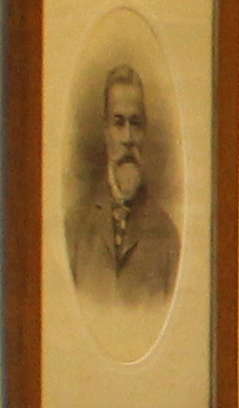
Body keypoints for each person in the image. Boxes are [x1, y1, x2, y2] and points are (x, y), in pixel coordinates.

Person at [67, 60, 180, 309]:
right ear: (106, 130)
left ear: (144, 130)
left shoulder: (168, 237)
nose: (128, 138)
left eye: (135, 124)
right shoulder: (74, 229)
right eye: (118, 123)